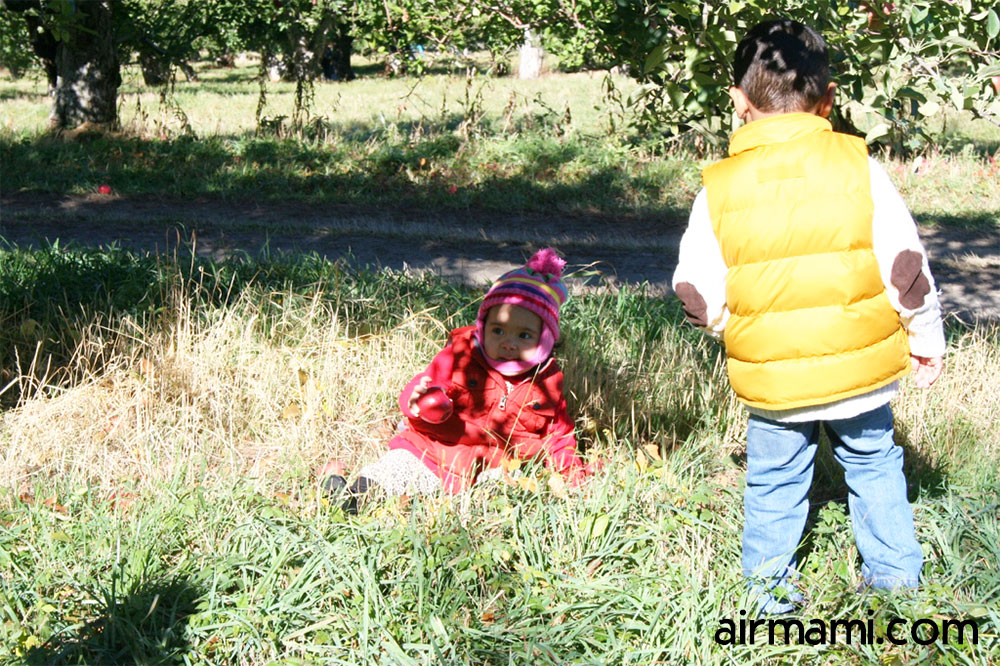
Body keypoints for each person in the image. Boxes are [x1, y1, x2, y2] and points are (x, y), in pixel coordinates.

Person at [671, 18, 945, 614]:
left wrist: (733, 326)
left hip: (774, 380)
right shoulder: (859, 167)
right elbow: (906, 268)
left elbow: (696, 290)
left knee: (773, 481)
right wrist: (926, 338)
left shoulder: (717, 186)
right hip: (861, 377)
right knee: (874, 465)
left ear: (738, 103)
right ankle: (898, 584)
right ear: (828, 100)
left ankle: (767, 598)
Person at [321, 248, 592, 513]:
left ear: (545, 340)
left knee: (506, 492)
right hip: (433, 451)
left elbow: (558, 437)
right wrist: (417, 404)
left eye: (523, 336)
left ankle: (466, 511)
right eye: (498, 330)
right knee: (397, 468)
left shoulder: (546, 383)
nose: (508, 343)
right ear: (483, 328)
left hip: (490, 468)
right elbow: (427, 386)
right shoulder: (461, 357)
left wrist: (572, 477)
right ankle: (354, 495)